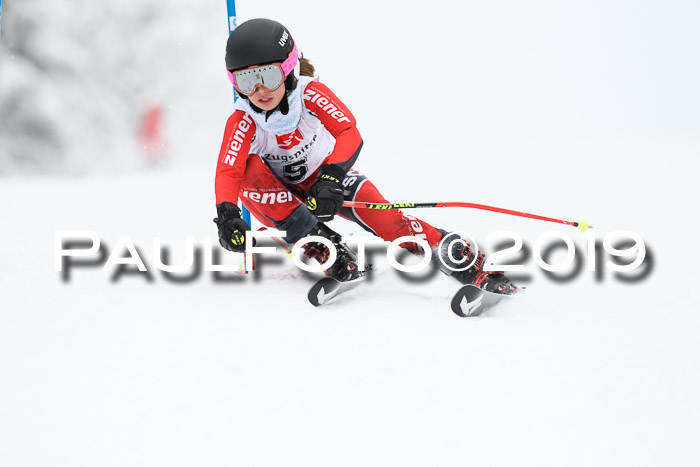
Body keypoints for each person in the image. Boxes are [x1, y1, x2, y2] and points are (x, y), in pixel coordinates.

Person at [214, 18, 518, 294]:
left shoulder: (309, 94)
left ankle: (468, 263)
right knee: (248, 172)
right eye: (245, 80)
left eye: (268, 75)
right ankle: (328, 250)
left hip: (327, 178)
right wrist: (227, 215)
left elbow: (349, 133)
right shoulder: (242, 120)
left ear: (288, 67)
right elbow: (228, 170)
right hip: (281, 195)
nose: (258, 90)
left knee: (389, 223)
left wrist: (332, 176)